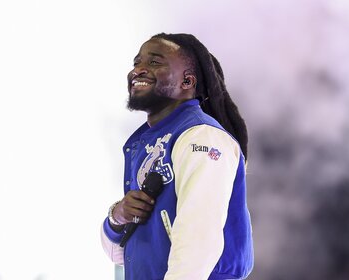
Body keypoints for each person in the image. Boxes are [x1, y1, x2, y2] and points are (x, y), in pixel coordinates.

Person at [100, 32, 254, 280]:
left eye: (154, 62)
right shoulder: (145, 143)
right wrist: (116, 216)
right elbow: (122, 255)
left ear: (187, 81)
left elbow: (199, 239)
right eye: (136, 62)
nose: (138, 69)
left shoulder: (202, 137)